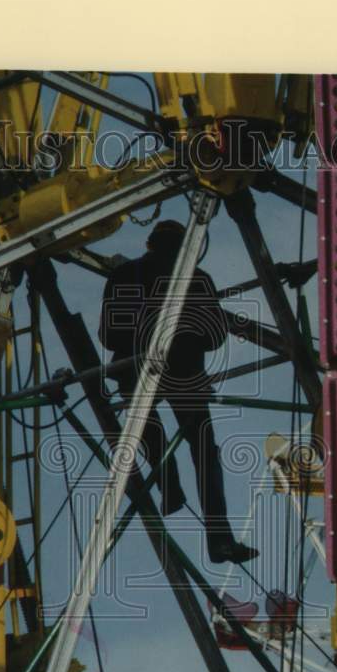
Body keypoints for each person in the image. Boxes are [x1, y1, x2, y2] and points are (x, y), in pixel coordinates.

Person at [99, 219, 258, 564]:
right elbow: (216, 336)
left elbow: (108, 335)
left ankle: (168, 485)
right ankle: (219, 539)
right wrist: (183, 335)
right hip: (184, 373)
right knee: (204, 451)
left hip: (135, 371)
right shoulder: (195, 278)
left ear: (149, 244)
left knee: (148, 426)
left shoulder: (122, 276)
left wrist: (142, 335)